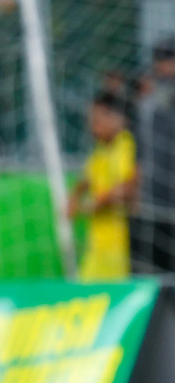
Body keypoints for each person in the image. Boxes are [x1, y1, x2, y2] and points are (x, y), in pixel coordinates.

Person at [71, 92, 139, 281]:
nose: (92, 125)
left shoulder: (125, 145)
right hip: (97, 244)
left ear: (116, 118)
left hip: (121, 244)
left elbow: (129, 187)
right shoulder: (100, 150)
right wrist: (74, 196)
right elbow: (86, 177)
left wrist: (95, 204)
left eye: (97, 119)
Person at [134, 38, 175, 274]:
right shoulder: (147, 103)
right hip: (154, 203)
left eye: (169, 59)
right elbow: (140, 154)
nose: (165, 66)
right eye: (161, 60)